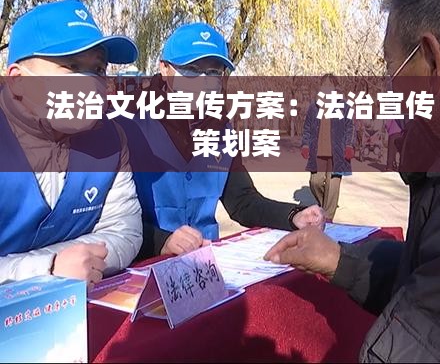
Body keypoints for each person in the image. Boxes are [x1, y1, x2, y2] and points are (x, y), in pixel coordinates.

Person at [265, 0, 440, 361]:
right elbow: (427, 273)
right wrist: (337, 259)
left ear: (433, 61)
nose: (387, 84)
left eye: (390, 65)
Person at [121, 22, 323, 257]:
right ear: (165, 69)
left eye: (214, 72)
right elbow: (110, 219)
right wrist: (161, 242)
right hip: (143, 264)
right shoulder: (127, 123)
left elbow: (242, 201)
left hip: (206, 261)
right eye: (192, 70)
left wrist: (293, 215)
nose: (203, 81)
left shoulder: (222, 128)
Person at [0, 0, 143, 287]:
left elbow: (124, 229)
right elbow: (60, 265)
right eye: (71, 66)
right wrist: (47, 267)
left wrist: (80, 263)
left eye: (98, 70)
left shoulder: (111, 140)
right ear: (17, 80)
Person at [300, 75, 355, 220]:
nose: (327, 88)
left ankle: (328, 217)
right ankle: (324, 206)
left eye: (330, 85)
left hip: (338, 153)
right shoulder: (314, 107)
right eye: (325, 85)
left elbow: (350, 128)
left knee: (333, 185)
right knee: (315, 182)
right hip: (318, 152)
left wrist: (349, 145)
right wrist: (305, 144)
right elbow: (307, 128)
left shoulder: (344, 107)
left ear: (335, 88)